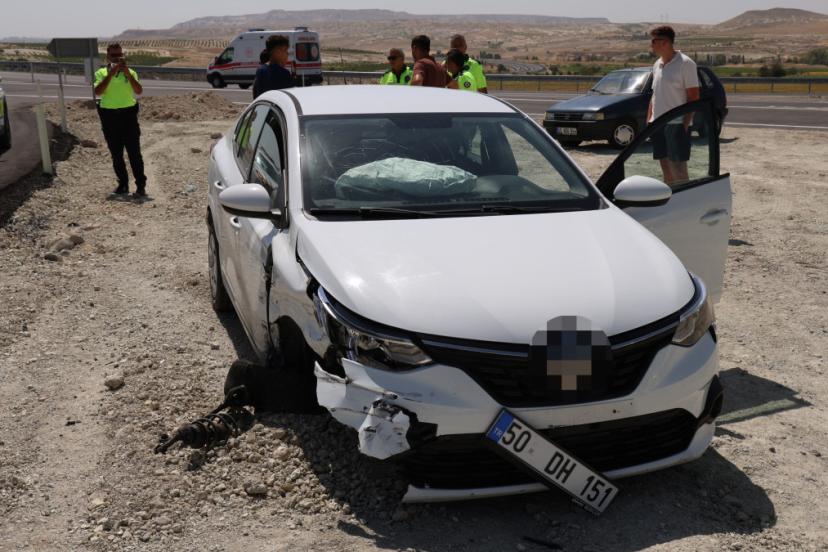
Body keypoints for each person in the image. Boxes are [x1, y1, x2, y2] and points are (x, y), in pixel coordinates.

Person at [647, 25, 700, 185]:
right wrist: (649, 120)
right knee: (664, 165)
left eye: (653, 41)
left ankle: (685, 202)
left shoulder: (686, 63)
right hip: (657, 124)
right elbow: (654, 94)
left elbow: (694, 96)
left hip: (676, 124)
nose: (651, 45)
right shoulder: (657, 64)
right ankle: (670, 200)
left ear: (665, 42)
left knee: (678, 168)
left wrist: (685, 123)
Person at [93, 43, 147, 198]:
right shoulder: (101, 73)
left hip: (128, 116)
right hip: (109, 117)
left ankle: (140, 186)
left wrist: (127, 74)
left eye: (119, 55)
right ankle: (123, 184)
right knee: (116, 154)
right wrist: (111, 74)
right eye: (113, 56)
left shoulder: (130, 72)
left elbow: (138, 91)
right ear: (107, 57)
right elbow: (98, 91)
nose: (117, 58)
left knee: (134, 153)